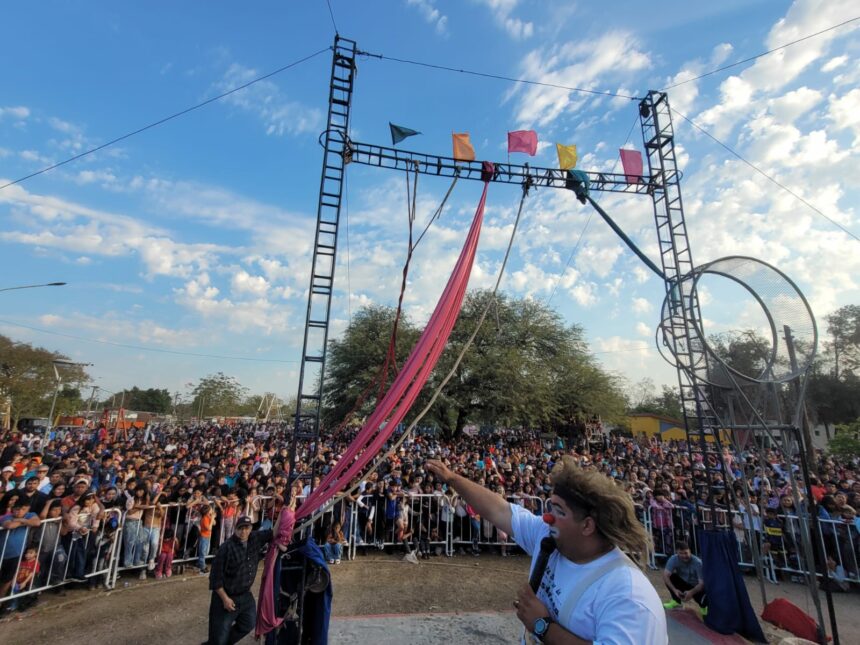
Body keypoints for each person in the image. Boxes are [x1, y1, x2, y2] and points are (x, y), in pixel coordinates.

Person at [426, 456, 667, 644]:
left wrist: (542, 625)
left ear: (587, 525)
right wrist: (452, 478)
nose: (548, 517)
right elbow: (499, 510)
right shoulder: (549, 537)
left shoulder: (628, 595)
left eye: (559, 511)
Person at [205, 515, 273, 645]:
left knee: (249, 623)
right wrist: (225, 599)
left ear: (251, 528)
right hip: (225, 596)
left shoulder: (255, 538)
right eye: (240, 528)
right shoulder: (226, 548)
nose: (243, 532)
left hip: (245, 595)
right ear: (235, 529)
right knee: (218, 637)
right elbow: (215, 578)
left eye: (246, 528)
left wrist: (287, 510)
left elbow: (273, 532)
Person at [662, 541, 708, 615]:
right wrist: (675, 590)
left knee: (705, 599)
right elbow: (665, 575)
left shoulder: (698, 563)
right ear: (677, 552)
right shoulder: (673, 559)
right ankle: (676, 601)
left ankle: (703, 607)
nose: (684, 555)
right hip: (684, 583)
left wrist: (691, 592)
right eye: (681, 553)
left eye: (686, 553)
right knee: (671, 577)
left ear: (690, 551)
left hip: (696, 586)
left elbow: (701, 584)